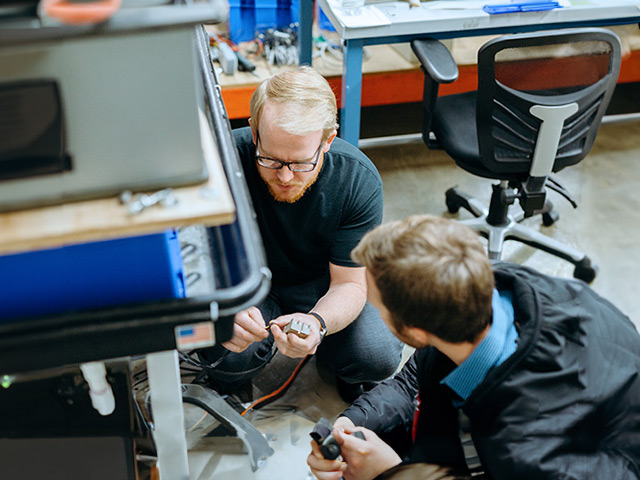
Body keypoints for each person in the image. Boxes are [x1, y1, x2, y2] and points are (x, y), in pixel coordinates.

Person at [307, 214, 640, 480]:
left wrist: (391, 473)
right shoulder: (490, 288)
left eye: (378, 310)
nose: (376, 316)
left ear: (416, 331)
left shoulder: (526, 455)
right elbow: (414, 380)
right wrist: (355, 422)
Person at [197, 66, 403, 402]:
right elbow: (194, 256)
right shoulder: (221, 162)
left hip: (325, 282)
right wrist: (222, 307)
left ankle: (341, 364)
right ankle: (236, 376)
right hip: (248, 283)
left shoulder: (357, 180)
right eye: (271, 159)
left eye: (301, 162)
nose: (286, 177)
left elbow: (349, 283)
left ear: (327, 141)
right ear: (254, 130)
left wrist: (319, 324)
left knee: (374, 355)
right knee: (227, 356)